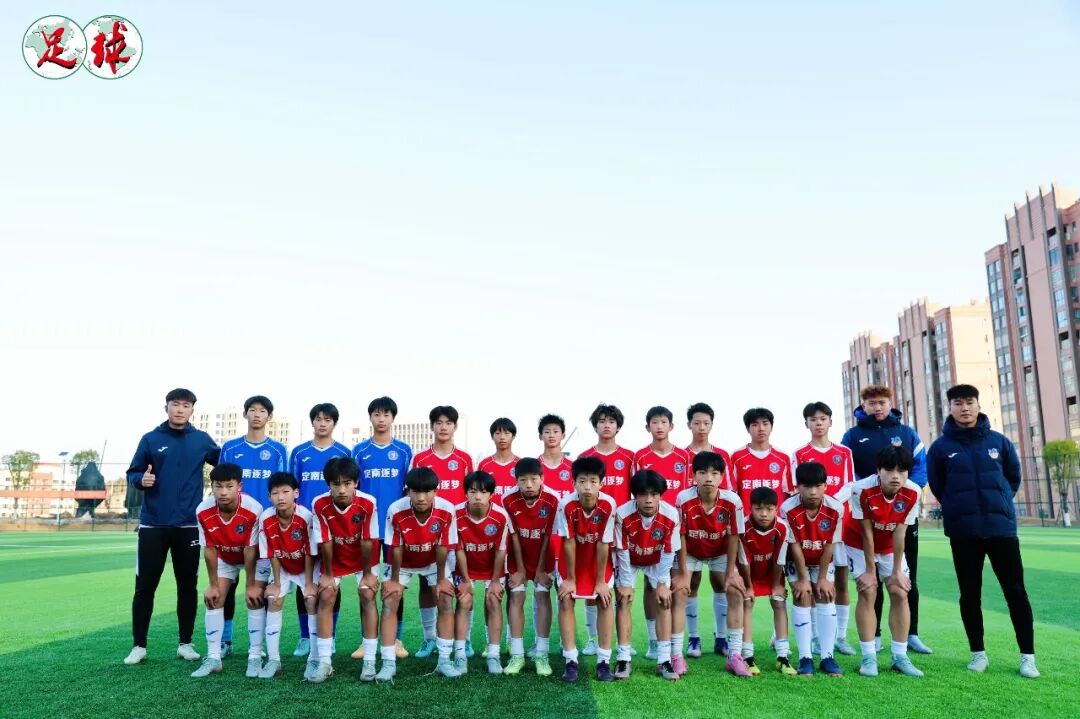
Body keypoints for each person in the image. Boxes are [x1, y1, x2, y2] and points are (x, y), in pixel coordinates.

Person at [927, 384, 1037, 679]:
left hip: (1001, 529)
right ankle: (978, 654)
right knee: (969, 594)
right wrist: (956, 507)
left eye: (969, 402)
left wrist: (999, 501)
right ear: (950, 407)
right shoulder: (940, 448)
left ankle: (1028, 657)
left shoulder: (999, 442)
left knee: (1015, 592)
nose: (964, 408)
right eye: (958, 403)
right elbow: (938, 485)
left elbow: (1013, 477)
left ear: (978, 405)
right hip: (964, 532)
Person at [123, 388, 220, 666]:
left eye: (186, 405)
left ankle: (185, 644)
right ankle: (139, 646)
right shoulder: (151, 439)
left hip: (189, 524)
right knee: (145, 587)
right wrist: (141, 480)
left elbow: (225, 465)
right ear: (166, 407)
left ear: (192, 410)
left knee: (187, 586)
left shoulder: (202, 440)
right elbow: (133, 472)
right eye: (175, 404)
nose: (180, 409)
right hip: (153, 524)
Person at [841, 385, 931, 655]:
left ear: (890, 403)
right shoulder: (853, 436)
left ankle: (910, 635)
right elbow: (848, 470)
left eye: (882, 402)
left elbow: (919, 466)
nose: (877, 407)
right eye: (872, 403)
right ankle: (875, 637)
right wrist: (875, 494)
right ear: (864, 406)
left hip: (899, 511)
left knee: (904, 580)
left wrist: (903, 494)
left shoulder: (906, 433)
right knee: (870, 586)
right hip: (868, 512)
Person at [218, 395, 288, 658]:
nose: (257, 415)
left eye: (262, 411)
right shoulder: (230, 448)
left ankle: (261, 646)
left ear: (269, 416)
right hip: (233, 525)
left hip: (264, 528)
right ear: (245, 414)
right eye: (252, 410)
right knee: (228, 584)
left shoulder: (278, 450)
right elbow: (221, 484)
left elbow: (281, 486)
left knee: (262, 586)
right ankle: (225, 640)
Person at [844, 446, 924, 678]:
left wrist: (897, 571)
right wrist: (871, 570)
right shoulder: (861, 489)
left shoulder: (913, 492)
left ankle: (900, 656)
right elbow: (866, 532)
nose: (895, 476)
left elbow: (900, 533)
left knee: (899, 590)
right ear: (878, 470)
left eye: (902, 471)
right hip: (858, 542)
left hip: (889, 543)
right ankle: (869, 657)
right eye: (889, 470)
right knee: (868, 590)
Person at [376, 467, 459, 681]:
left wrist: (441, 579)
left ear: (436, 491)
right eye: (416, 491)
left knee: (445, 599)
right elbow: (395, 547)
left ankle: (444, 660)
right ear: (408, 491)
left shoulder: (447, 509)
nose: (421, 497)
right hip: (403, 562)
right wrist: (394, 581)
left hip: (432, 560)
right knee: (390, 600)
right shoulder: (396, 509)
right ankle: (388, 663)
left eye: (427, 491)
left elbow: (443, 546)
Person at [351, 396, 413, 661]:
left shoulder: (404, 451)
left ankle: (396, 638)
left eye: (386, 414)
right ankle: (366, 640)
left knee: (394, 584)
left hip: (395, 527)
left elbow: (409, 490)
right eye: (376, 414)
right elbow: (352, 488)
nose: (381, 419)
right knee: (365, 584)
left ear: (393, 418)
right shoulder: (359, 451)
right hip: (366, 527)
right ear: (370, 418)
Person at [791, 401, 855, 656]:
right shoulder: (799, 454)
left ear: (830, 421)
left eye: (822, 418)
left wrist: (828, 505)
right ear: (806, 423)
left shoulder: (844, 452)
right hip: (809, 528)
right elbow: (794, 487)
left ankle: (841, 636)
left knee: (840, 581)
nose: (818, 423)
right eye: (813, 419)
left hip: (837, 523)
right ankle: (816, 637)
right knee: (810, 581)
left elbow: (849, 484)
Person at [189, 463, 264, 678]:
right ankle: (213, 658)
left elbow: (250, 549)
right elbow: (209, 549)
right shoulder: (203, 510)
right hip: (225, 557)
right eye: (218, 486)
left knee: (254, 599)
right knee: (214, 599)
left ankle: (255, 656)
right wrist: (213, 585)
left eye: (229, 486)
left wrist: (251, 585)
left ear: (239, 486)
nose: (223, 492)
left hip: (255, 558)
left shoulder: (253, 509)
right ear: (212, 486)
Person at [308, 457, 379, 683]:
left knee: (367, 594)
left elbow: (367, 540)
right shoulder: (319, 503)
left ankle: (369, 660)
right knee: (326, 595)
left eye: (347, 483)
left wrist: (367, 574)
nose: (341, 489)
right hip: (334, 557)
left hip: (364, 558)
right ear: (328, 484)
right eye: (336, 484)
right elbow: (325, 541)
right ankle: (325, 662)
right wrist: (328, 574)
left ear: (356, 483)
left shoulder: (368, 503)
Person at [726, 407, 791, 656]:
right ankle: (736, 643)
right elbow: (732, 494)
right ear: (748, 428)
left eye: (765, 423)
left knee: (780, 587)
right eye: (755, 424)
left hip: (775, 534)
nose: (760, 428)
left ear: (771, 426)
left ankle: (779, 639)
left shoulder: (782, 458)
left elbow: (788, 495)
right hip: (746, 533)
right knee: (743, 589)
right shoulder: (736, 458)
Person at [288, 402, 351, 657]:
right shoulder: (299, 453)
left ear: (334, 423)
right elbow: (292, 487)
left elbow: (348, 490)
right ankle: (305, 637)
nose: (322, 423)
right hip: (304, 524)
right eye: (318, 419)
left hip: (334, 526)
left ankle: (330, 636)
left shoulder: (344, 452)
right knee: (304, 580)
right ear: (312, 422)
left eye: (328, 419)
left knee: (332, 580)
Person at [411, 405, 473, 658]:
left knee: (461, 584)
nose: (443, 427)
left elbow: (471, 495)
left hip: (457, 531)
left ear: (455, 426)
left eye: (448, 423)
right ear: (432, 426)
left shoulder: (465, 459)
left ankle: (465, 639)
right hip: (427, 532)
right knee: (427, 585)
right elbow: (413, 493)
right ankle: (429, 639)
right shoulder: (420, 459)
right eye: (438, 422)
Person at [676, 451, 746, 672]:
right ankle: (687, 644)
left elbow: (734, 536)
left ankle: (731, 649)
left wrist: (731, 572)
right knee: (681, 590)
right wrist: (683, 572)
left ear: (722, 477)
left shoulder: (732, 500)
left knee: (734, 589)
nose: (708, 478)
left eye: (714, 473)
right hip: (691, 551)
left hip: (720, 551)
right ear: (693, 475)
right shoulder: (683, 498)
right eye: (702, 472)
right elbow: (681, 535)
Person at [633, 406, 692, 666]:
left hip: (675, 528)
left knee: (674, 585)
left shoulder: (684, 456)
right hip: (647, 529)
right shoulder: (640, 456)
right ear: (648, 427)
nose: (659, 426)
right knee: (650, 584)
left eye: (663, 422)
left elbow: (688, 490)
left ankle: (676, 648)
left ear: (671, 426)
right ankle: (653, 641)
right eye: (654, 422)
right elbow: (635, 491)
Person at [577, 403, 635, 655]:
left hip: (621, 530)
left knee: (623, 587)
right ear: (595, 426)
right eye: (601, 421)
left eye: (611, 421)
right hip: (592, 531)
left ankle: (624, 641)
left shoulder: (629, 457)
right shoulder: (585, 457)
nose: (606, 425)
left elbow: (636, 492)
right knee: (593, 586)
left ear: (618, 426)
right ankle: (593, 638)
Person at [614, 470, 681, 681]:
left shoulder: (671, 515)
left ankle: (664, 660)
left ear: (661, 495)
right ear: (635, 495)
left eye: (654, 494)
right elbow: (622, 550)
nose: (649, 500)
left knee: (664, 600)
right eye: (643, 494)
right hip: (630, 560)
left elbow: (669, 551)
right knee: (624, 599)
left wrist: (662, 583)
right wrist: (626, 584)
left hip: (657, 560)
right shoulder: (622, 514)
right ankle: (623, 658)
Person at [555, 455, 618, 682]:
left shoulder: (609, 504)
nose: (587, 487)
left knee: (605, 599)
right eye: (582, 481)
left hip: (597, 560)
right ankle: (570, 660)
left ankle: (604, 661)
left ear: (602, 482)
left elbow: (603, 543)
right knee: (566, 598)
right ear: (574, 483)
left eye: (593, 481)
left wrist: (600, 581)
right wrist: (571, 579)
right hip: (572, 560)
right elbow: (568, 542)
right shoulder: (566, 504)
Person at [780, 461, 844, 677]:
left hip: (822, 559)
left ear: (825, 486)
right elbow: (795, 545)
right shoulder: (787, 508)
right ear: (798, 487)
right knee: (803, 595)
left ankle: (827, 656)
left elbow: (830, 544)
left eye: (818, 486)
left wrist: (823, 578)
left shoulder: (836, 508)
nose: (813, 492)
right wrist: (804, 578)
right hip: (797, 559)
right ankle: (805, 657)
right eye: (807, 486)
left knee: (826, 595)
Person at [683, 402, 732, 659]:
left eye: (706, 423)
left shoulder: (722, 455)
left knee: (720, 583)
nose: (702, 427)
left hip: (716, 532)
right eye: (697, 422)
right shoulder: (682, 456)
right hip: (691, 531)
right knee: (690, 583)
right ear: (688, 424)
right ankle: (693, 639)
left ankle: (721, 637)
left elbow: (729, 494)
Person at [257, 472, 318, 679]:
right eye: (275, 493)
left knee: (311, 600)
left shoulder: (306, 517)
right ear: (269, 496)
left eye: (285, 492)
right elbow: (272, 552)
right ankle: (274, 660)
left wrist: (308, 583)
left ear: (296, 493)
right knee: (273, 599)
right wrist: (276, 583)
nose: (280, 497)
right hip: (283, 565)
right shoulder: (266, 518)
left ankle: (314, 658)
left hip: (306, 567)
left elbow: (310, 552)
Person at [503, 457, 560, 676]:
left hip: (543, 556)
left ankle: (542, 654)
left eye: (534, 479)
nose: (528, 484)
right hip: (518, 555)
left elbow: (547, 535)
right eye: (523, 480)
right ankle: (517, 655)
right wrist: (520, 570)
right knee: (516, 597)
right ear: (516, 480)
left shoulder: (553, 499)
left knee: (542, 597)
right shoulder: (508, 499)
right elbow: (514, 535)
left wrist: (539, 570)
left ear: (542, 479)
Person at [452, 470, 510, 675]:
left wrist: (495, 581)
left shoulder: (500, 516)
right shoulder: (455, 514)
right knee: (464, 600)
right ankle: (460, 655)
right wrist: (466, 580)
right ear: (465, 493)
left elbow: (501, 550)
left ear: (491, 495)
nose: (478, 496)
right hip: (464, 566)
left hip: (492, 567)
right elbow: (458, 549)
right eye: (473, 491)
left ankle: (493, 655)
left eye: (483, 492)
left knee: (493, 600)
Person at [736, 487, 796, 676]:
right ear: (750, 508)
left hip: (772, 571)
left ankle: (783, 657)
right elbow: (744, 560)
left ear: (776, 509)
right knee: (747, 602)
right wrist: (748, 587)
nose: (764, 514)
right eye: (758, 509)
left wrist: (777, 584)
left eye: (769, 509)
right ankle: (747, 656)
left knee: (779, 602)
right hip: (748, 572)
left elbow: (780, 558)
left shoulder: (782, 527)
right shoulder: (743, 526)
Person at [478, 417, 520, 504]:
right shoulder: (484, 464)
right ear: (492, 437)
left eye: (507, 433)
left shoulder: (521, 464)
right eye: (497, 433)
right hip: (491, 512)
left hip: (515, 511)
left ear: (513, 436)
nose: (502, 437)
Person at [538, 414, 574, 499]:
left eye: (555, 431)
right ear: (540, 436)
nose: (551, 435)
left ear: (563, 435)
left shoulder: (573, 466)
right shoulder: (534, 466)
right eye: (547, 432)